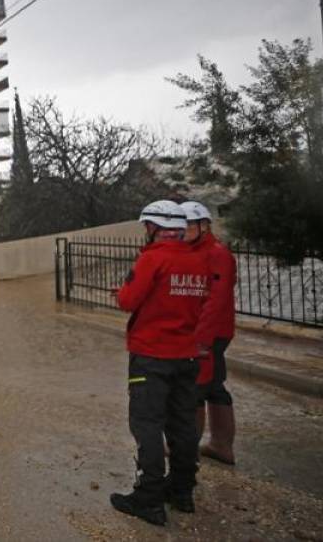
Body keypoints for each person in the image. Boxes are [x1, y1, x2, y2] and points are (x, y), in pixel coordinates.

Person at [110, 200, 210, 526]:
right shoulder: (199, 261)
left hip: (151, 355)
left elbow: (128, 300)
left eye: (146, 227)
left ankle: (149, 498)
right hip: (187, 355)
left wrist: (120, 292)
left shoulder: (152, 259)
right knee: (182, 425)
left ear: (154, 228)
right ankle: (182, 491)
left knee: (147, 424)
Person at [182, 201, 238, 465]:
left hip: (211, 333)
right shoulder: (196, 251)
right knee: (214, 385)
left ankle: (188, 448)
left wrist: (201, 338)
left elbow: (216, 301)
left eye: (188, 225)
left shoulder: (217, 254)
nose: (183, 230)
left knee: (196, 387)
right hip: (208, 331)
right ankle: (220, 445)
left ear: (203, 226)